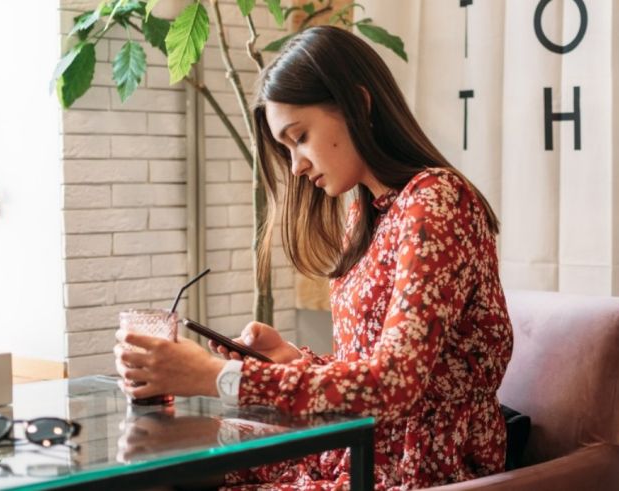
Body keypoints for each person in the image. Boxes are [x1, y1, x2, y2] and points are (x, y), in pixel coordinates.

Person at [114, 25, 513, 490]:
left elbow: (395, 384)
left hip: (415, 471)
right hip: (358, 452)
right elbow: (373, 368)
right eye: (286, 148)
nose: (297, 166)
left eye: (299, 137)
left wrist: (220, 377)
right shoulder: (366, 211)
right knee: (165, 471)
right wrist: (292, 360)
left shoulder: (437, 201)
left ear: (358, 105)